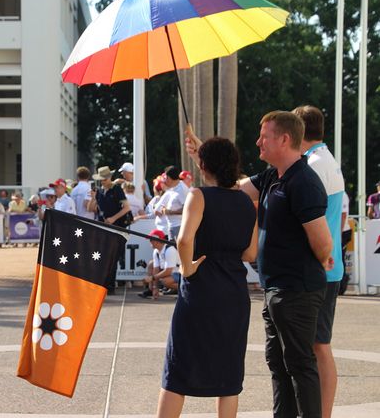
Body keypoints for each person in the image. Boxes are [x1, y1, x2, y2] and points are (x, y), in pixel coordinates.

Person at [186, 111, 333, 418]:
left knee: (300, 365)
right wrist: (206, 157)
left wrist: (318, 261)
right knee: (279, 364)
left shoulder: (303, 181)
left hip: (296, 288)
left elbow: (323, 243)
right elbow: (233, 187)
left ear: (285, 139)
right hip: (276, 287)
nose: (258, 142)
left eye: (264, 136)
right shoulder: (273, 176)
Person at [157, 137, 258, 418]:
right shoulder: (247, 203)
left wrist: (187, 268)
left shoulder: (198, 195)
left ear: (203, 166)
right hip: (234, 293)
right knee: (229, 375)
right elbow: (250, 253)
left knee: (178, 368)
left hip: (201, 291)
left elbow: (184, 239)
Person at [294, 105, 346, 418]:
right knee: (319, 346)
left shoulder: (313, 164)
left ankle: (322, 414)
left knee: (319, 347)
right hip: (327, 266)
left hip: (320, 270)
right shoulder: (324, 160)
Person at [88, 166, 132, 295]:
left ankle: (110, 285)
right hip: (103, 228)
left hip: (117, 227)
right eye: (101, 180)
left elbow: (126, 208)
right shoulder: (100, 191)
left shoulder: (117, 189)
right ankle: (104, 283)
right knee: (103, 256)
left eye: (104, 179)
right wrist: (93, 197)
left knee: (113, 257)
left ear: (109, 178)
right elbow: (91, 209)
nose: (102, 182)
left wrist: (113, 218)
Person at [139, 229, 180, 299]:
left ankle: (187, 289)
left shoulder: (170, 250)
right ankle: (151, 290)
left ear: (157, 241)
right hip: (172, 273)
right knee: (151, 264)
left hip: (181, 274)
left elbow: (168, 271)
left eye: (151, 240)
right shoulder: (156, 251)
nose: (150, 242)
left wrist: (152, 278)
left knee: (165, 281)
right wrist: (155, 288)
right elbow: (156, 269)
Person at [154, 166, 189, 240]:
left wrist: (170, 212)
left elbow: (188, 208)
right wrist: (164, 209)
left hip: (179, 226)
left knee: (177, 251)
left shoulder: (182, 189)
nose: (164, 180)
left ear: (169, 178)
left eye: (165, 178)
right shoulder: (173, 188)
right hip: (172, 226)